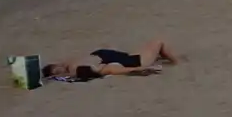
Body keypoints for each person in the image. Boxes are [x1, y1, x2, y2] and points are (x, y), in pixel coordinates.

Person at [42, 42, 179, 81]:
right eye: (56, 70)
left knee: (155, 46)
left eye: (56, 67)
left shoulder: (72, 65)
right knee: (159, 43)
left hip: (130, 56)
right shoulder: (103, 68)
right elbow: (128, 70)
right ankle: (177, 63)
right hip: (137, 61)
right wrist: (148, 69)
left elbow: (63, 67)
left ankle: (168, 58)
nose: (59, 68)